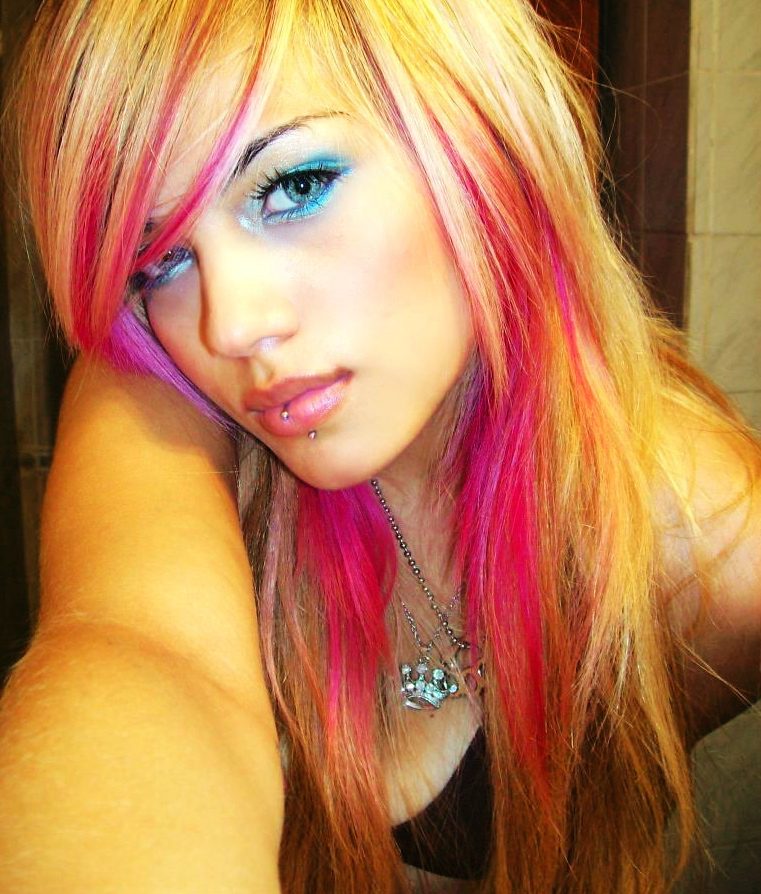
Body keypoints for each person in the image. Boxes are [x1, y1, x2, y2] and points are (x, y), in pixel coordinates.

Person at [1, 0, 759, 892]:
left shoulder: (711, 554)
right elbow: (138, 651)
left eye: (293, 187)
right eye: (158, 259)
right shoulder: (155, 379)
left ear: (480, 141)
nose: (229, 325)